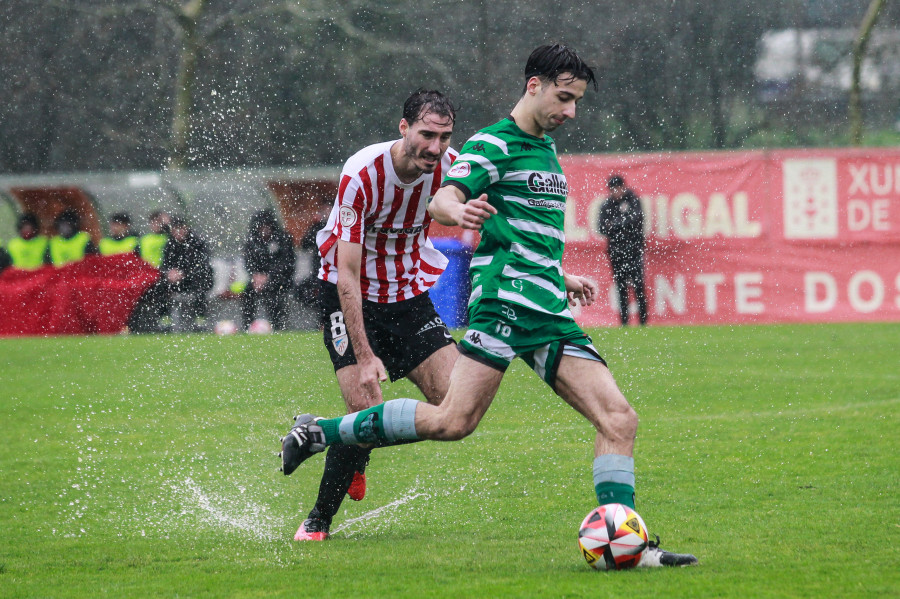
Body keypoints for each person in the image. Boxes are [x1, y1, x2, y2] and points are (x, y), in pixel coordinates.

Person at [279, 44, 697, 567]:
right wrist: (455, 211)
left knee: (615, 418)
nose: (571, 111)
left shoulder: (542, 151)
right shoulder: (484, 145)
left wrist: (559, 276)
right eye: (564, 98)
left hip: (528, 308)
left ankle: (628, 547)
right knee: (433, 415)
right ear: (534, 86)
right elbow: (444, 199)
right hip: (471, 304)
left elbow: (516, 230)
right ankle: (323, 458)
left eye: (576, 101)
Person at [287, 88, 461, 542]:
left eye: (444, 137)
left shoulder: (449, 167)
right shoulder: (362, 173)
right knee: (365, 412)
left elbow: (497, 219)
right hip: (349, 295)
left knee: (457, 406)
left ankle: (324, 433)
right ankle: (317, 521)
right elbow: (346, 274)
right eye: (426, 134)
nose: (435, 147)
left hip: (406, 295)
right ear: (403, 129)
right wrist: (365, 357)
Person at [598, 175, 647, 326]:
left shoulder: (633, 200)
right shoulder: (607, 205)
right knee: (621, 287)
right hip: (616, 252)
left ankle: (643, 322)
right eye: (613, 189)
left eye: (618, 188)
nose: (616, 191)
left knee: (639, 286)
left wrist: (615, 224)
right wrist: (623, 224)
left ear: (623, 187)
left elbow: (637, 219)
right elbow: (601, 227)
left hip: (634, 250)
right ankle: (624, 322)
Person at [241, 209, 296, 331]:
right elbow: (248, 261)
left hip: (281, 280)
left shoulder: (283, 239)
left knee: (273, 293)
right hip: (257, 280)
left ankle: (277, 325)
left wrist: (269, 276)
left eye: (267, 226)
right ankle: (248, 326)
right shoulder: (252, 241)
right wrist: (255, 275)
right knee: (248, 292)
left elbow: (286, 263)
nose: (264, 230)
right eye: (261, 227)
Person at [160, 216, 214, 331]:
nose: (178, 232)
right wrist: (169, 273)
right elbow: (164, 264)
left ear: (186, 228)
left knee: (200, 281)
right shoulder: (170, 244)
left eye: (181, 229)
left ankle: (200, 319)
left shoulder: (197, 242)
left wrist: (183, 273)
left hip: (195, 279)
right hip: (177, 281)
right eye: (175, 229)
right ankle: (165, 319)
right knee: (161, 284)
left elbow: (202, 264)